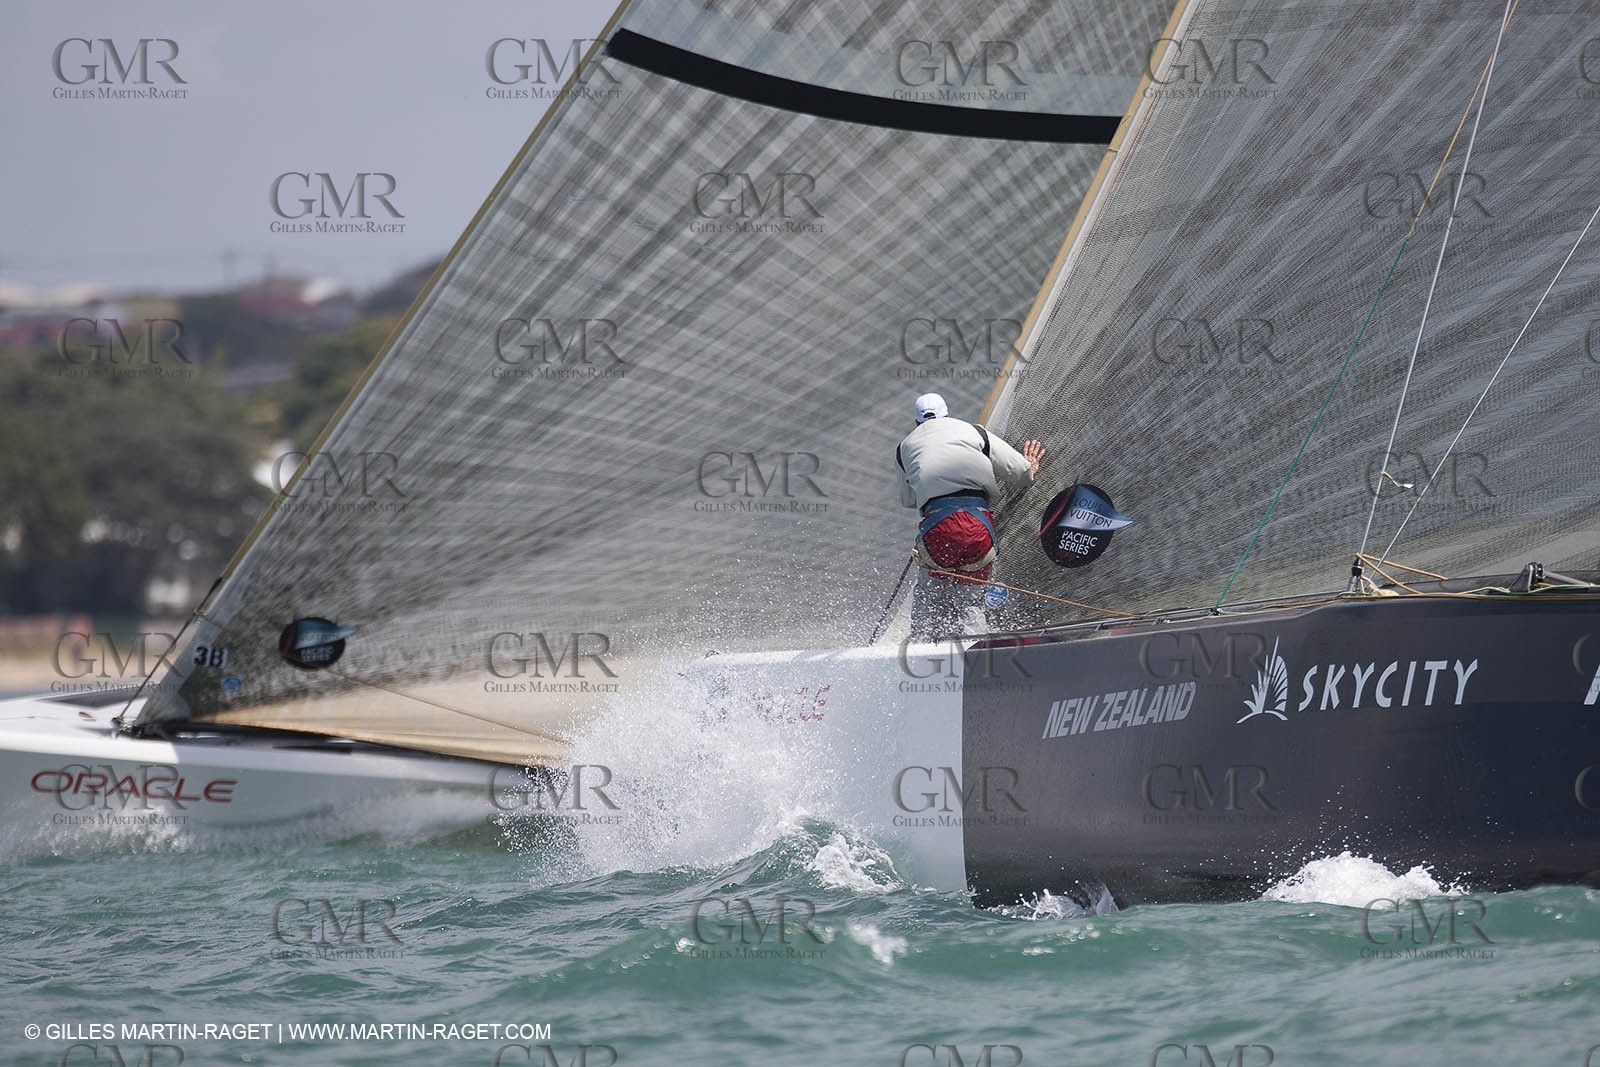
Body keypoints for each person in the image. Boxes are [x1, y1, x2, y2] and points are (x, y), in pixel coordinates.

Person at [895, 392, 1043, 639]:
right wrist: (1030, 467)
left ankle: (920, 644)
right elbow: (1020, 473)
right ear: (947, 414)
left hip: (937, 531)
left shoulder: (904, 448)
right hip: (977, 527)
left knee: (928, 600)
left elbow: (907, 500)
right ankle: (975, 646)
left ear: (916, 423)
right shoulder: (976, 432)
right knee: (971, 604)